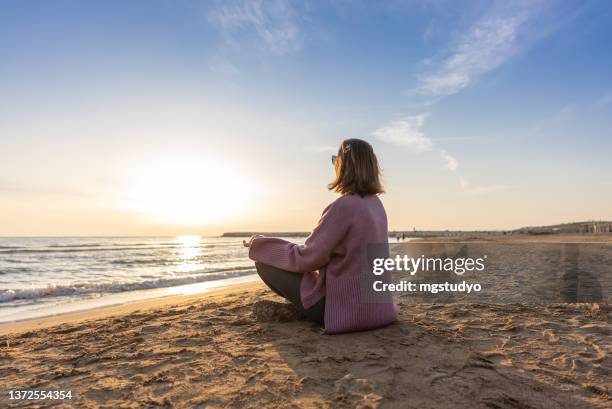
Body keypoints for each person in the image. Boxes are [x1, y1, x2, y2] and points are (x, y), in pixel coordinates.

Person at [244, 138, 398, 334]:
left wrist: (259, 244)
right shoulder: (376, 205)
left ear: (343, 165)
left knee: (263, 262)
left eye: (336, 160)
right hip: (378, 310)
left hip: (347, 312)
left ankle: (303, 307)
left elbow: (307, 259)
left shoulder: (344, 206)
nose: (334, 165)